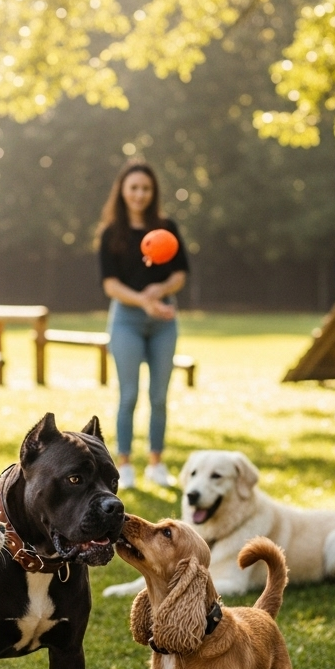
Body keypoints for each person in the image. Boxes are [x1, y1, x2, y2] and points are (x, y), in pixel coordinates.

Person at [97, 161, 188, 490]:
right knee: (129, 395)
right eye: (133, 187)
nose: (139, 194)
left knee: (159, 396)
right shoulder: (112, 234)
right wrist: (141, 299)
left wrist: (159, 291)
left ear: (153, 193)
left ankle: (156, 463)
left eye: (145, 188)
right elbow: (110, 285)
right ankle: (124, 464)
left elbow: (179, 275)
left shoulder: (167, 228)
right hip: (126, 321)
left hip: (164, 321)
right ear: (123, 191)